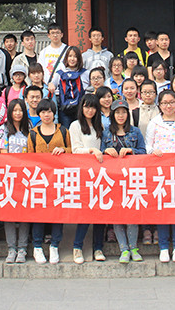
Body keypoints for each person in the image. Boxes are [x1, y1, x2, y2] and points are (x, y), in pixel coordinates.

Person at [146, 89, 175, 263]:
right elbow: (147, 146)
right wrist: (153, 151)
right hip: (160, 172)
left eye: (171, 102)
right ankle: (164, 247)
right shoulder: (154, 123)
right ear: (159, 105)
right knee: (163, 210)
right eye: (164, 103)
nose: (168, 106)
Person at [102, 99, 146, 263]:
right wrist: (107, 150)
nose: (121, 116)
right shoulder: (107, 133)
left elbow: (143, 151)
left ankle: (133, 248)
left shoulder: (135, 132)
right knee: (117, 215)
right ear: (113, 115)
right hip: (113, 179)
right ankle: (124, 249)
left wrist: (131, 151)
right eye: (117, 112)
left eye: (123, 112)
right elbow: (100, 153)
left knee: (131, 215)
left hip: (132, 179)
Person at [28, 99, 71, 263]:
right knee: (39, 213)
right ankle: (37, 247)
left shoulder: (63, 131)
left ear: (54, 113)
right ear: (39, 114)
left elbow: (72, 151)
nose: (46, 115)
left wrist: (63, 150)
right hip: (39, 180)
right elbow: (29, 157)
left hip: (59, 180)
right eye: (43, 112)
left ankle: (54, 245)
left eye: (49, 112)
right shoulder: (33, 133)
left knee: (58, 213)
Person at [69, 94, 106, 264]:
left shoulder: (100, 126)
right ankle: (77, 247)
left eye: (93, 107)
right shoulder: (75, 125)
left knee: (100, 212)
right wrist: (91, 151)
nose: (89, 110)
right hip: (83, 173)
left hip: (100, 173)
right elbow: (75, 150)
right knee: (85, 212)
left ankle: (98, 247)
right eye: (86, 107)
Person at [0, 99, 31, 263]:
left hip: (26, 176)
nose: (18, 113)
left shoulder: (29, 128)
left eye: (20, 110)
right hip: (9, 175)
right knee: (9, 213)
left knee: (24, 213)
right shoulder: (3, 129)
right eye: (15, 110)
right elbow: (3, 152)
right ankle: (11, 248)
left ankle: (22, 248)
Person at [50, 46, 89, 129]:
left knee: (80, 130)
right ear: (66, 58)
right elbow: (52, 84)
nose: (72, 59)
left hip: (81, 109)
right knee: (66, 131)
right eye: (70, 56)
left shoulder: (85, 73)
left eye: (75, 56)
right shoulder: (60, 73)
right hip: (64, 109)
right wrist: (51, 85)